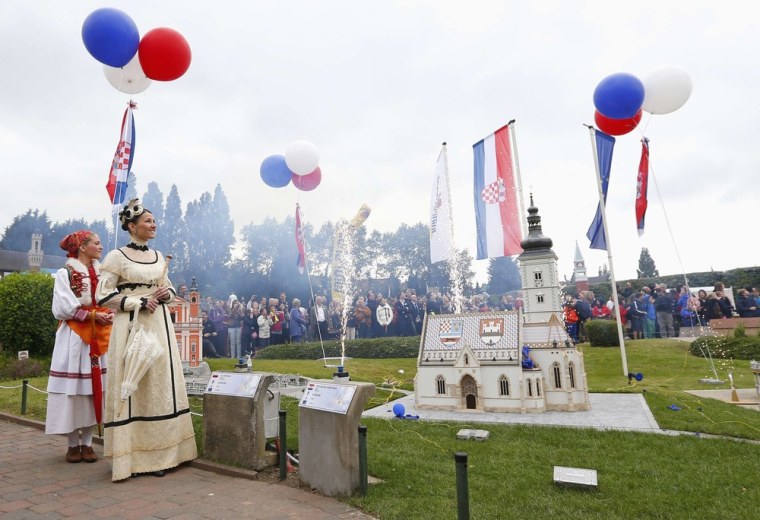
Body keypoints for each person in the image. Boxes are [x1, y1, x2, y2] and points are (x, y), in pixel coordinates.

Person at [96, 199, 197, 481]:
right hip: (131, 325)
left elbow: (166, 285)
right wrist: (137, 301)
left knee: (159, 380)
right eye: (148, 221)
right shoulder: (116, 257)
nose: (153, 225)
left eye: (154, 221)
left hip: (159, 325)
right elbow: (102, 295)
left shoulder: (158, 255)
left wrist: (166, 293)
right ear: (132, 226)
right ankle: (134, 456)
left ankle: (167, 452)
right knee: (134, 381)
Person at [46, 231, 113, 464]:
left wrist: (110, 311)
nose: (101, 246)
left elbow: (109, 297)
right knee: (73, 390)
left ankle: (88, 443)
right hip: (75, 336)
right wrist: (92, 315)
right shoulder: (65, 273)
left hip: (99, 335)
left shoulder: (102, 273)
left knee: (94, 388)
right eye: (96, 243)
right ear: (82, 247)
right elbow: (62, 306)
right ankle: (73, 444)